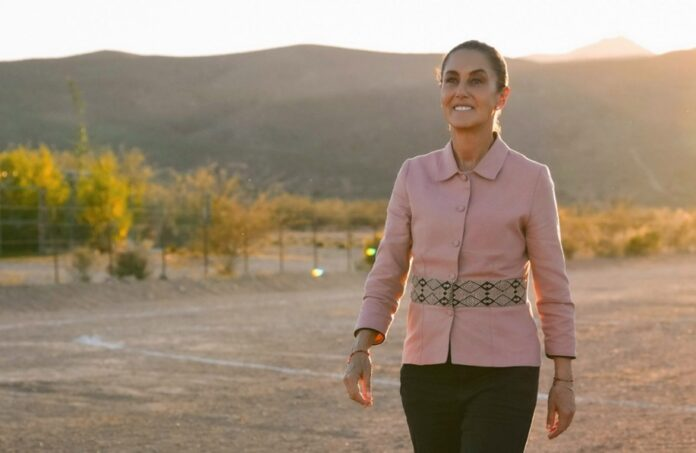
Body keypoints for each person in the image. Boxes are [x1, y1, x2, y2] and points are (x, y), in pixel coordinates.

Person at [342, 40, 576, 452]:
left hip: (505, 373)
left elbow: (553, 286)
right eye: (451, 80)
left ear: (501, 96)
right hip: (425, 370)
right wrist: (361, 348)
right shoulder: (413, 175)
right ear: (441, 93)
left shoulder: (532, 179)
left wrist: (563, 378)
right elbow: (389, 268)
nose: (461, 91)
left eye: (476, 80)